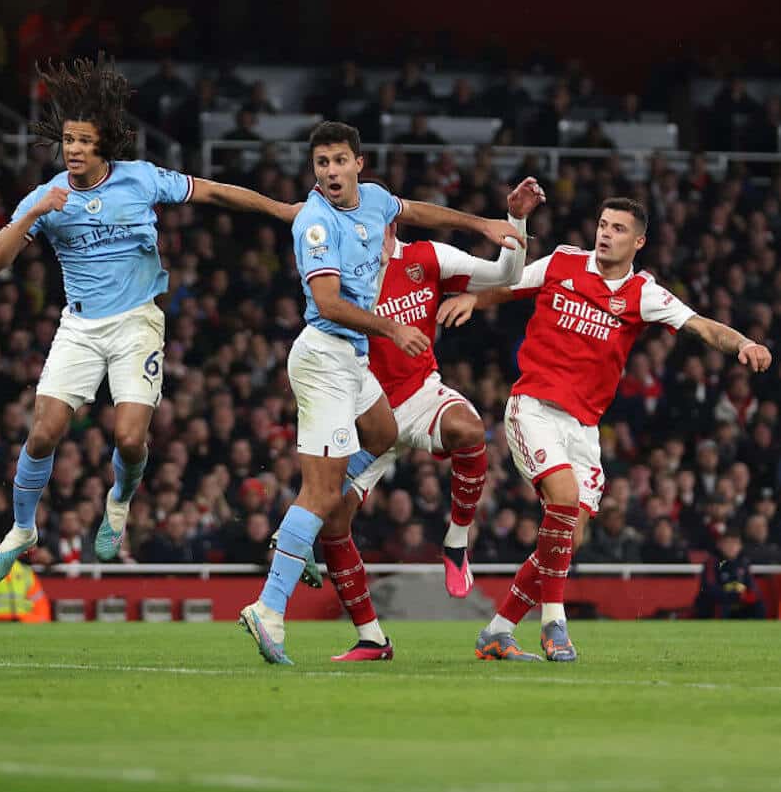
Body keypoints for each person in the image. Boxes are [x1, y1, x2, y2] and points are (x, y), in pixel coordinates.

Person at [0, 54, 300, 584]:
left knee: (129, 440)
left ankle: (120, 500)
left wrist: (281, 210)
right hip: (79, 327)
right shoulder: (47, 197)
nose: (74, 149)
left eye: (83, 141)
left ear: (102, 144)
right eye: (68, 141)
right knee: (43, 433)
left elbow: (214, 191)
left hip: (136, 324)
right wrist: (35, 214)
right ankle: (22, 529)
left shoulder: (143, 180)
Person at [238, 120, 524, 665]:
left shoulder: (374, 204)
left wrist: (485, 224)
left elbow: (414, 209)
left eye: (339, 161)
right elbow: (326, 304)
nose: (330, 172)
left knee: (383, 432)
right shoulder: (317, 225)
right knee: (323, 499)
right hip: (326, 357)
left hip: (359, 363)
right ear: (314, 171)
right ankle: (269, 606)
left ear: (358, 164)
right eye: (321, 163)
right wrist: (392, 329)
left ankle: (309, 528)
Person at [453, 197, 772, 661]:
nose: (605, 234)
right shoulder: (563, 261)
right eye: (602, 225)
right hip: (534, 408)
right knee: (562, 500)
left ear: (638, 241)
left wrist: (742, 341)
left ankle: (498, 630)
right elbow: (509, 284)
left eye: (618, 229)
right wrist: (472, 297)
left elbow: (699, 326)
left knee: (567, 538)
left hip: (584, 428)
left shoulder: (644, 294)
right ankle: (554, 625)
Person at [318, 177, 544, 662]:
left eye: (371, 221)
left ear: (390, 222)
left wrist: (518, 221)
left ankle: (457, 541)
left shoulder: (426, 258)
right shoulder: (337, 273)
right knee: (333, 526)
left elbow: (505, 275)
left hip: (419, 394)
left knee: (468, 429)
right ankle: (372, 639)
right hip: (366, 413)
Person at [695, 529, 766, 619]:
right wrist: (733, 595)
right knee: (719, 604)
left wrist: (749, 595)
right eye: (728, 543)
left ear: (740, 546)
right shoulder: (712, 562)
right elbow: (709, 587)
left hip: (738, 601)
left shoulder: (743, 563)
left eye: (735, 543)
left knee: (758, 605)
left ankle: (756, 630)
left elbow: (752, 586)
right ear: (719, 545)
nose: (732, 547)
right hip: (718, 601)